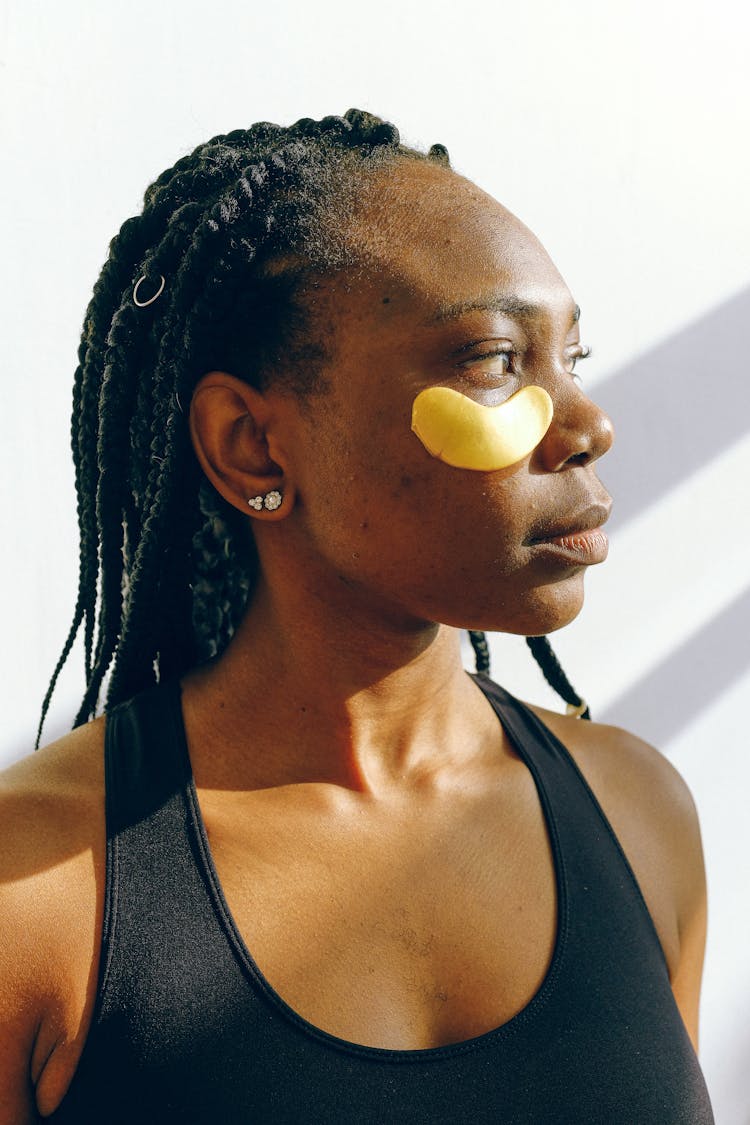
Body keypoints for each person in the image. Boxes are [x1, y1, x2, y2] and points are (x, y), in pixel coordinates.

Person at [0, 109, 714, 1123]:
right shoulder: (34, 894)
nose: (588, 426)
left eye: (573, 359)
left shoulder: (638, 819)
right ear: (252, 446)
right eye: (496, 359)